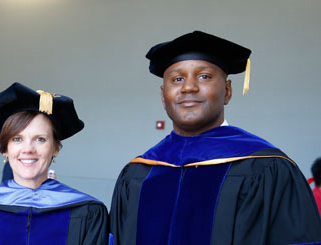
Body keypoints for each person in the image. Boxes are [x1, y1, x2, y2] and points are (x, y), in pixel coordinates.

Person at [109, 31, 321, 244]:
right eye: (177, 79)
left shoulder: (268, 168)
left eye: (204, 77)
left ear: (227, 91)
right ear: (164, 97)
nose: (189, 87)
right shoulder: (138, 172)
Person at [0, 82, 109, 244]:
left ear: (56, 148)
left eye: (40, 139)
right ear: (5, 149)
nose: (28, 149)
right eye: (17, 139)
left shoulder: (86, 212)